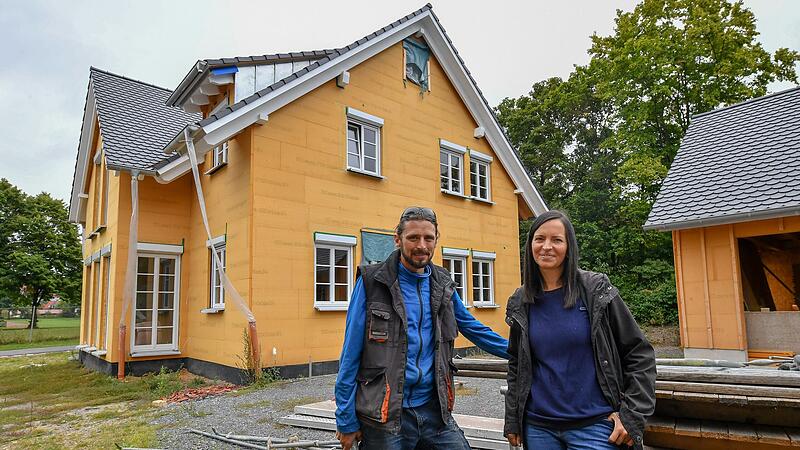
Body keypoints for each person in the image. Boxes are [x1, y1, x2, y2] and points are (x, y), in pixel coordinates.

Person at [335, 206, 510, 450]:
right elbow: (350, 354)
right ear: (397, 239)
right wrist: (345, 419)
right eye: (413, 237)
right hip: (386, 415)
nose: (422, 245)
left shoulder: (443, 283)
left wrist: (520, 350)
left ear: (437, 239)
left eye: (429, 238)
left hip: (434, 410)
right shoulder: (371, 282)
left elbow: (473, 328)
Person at [504, 210, 656, 450]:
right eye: (539, 238)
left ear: (569, 247)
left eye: (557, 240)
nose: (546, 246)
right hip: (539, 427)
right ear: (530, 244)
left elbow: (639, 354)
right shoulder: (521, 300)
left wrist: (631, 416)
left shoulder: (595, 291)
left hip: (595, 426)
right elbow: (516, 364)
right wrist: (513, 419)